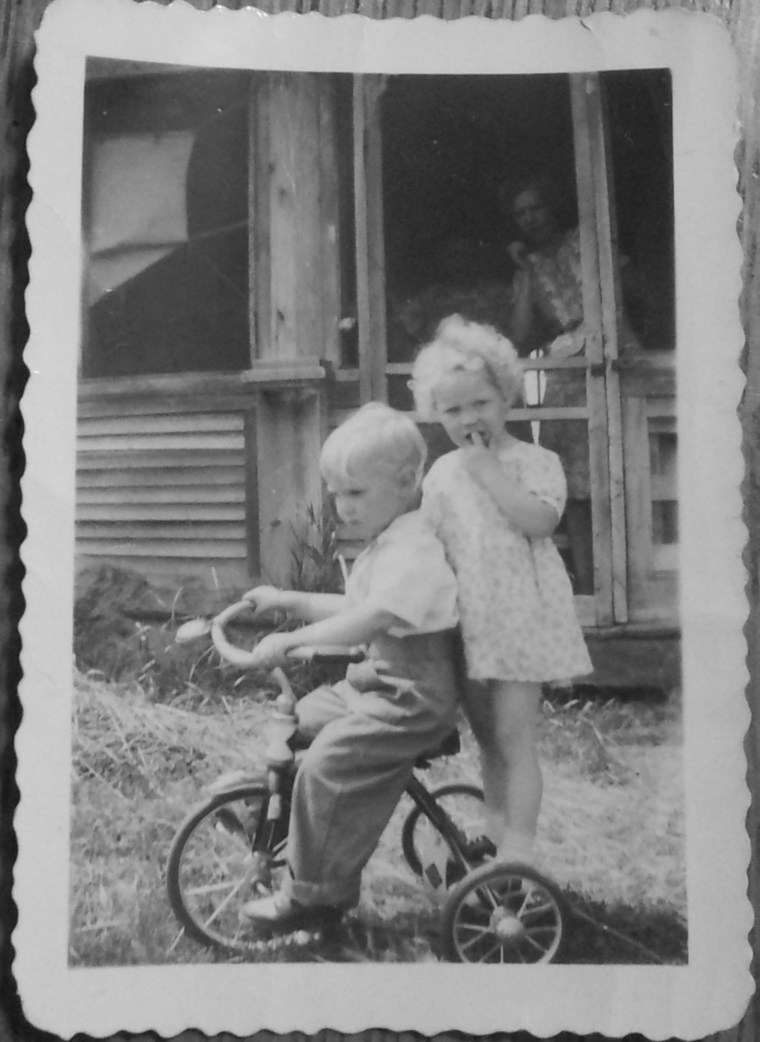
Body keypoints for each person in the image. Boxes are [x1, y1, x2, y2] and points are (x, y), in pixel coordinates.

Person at [237, 402, 462, 929]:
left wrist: (294, 641)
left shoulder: (415, 551)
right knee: (295, 724)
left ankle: (314, 897)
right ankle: (275, 822)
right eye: (336, 493)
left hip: (411, 698)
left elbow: (369, 620)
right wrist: (287, 600)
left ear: (406, 483)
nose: (343, 506)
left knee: (328, 765)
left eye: (355, 493)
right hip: (375, 682)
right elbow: (353, 608)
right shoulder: (386, 543)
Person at [411, 315, 592, 866]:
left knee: (515, 742)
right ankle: (494, 839)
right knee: (487, 741)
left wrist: (488, 470)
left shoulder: (536, 461)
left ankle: (519, 852)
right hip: (468, 626)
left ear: (507, 396)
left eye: (480, 403)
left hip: (520, 624)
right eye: (453, 410)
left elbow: (539, 522)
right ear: (435, 413)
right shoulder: (441, 474)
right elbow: (428, 546)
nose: (469, 419)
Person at [501, 174, 642, 593]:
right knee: (574, 484)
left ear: (553, 206)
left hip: (612, 348)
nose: (530, 218)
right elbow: (519, 333)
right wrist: (524, 272)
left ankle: (635, 581)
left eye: (536, 208)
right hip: (568, 368)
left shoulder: (587, 238)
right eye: (521, 214)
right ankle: (591, 584)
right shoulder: (531, 264)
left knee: (627, 466)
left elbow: (632, 289)